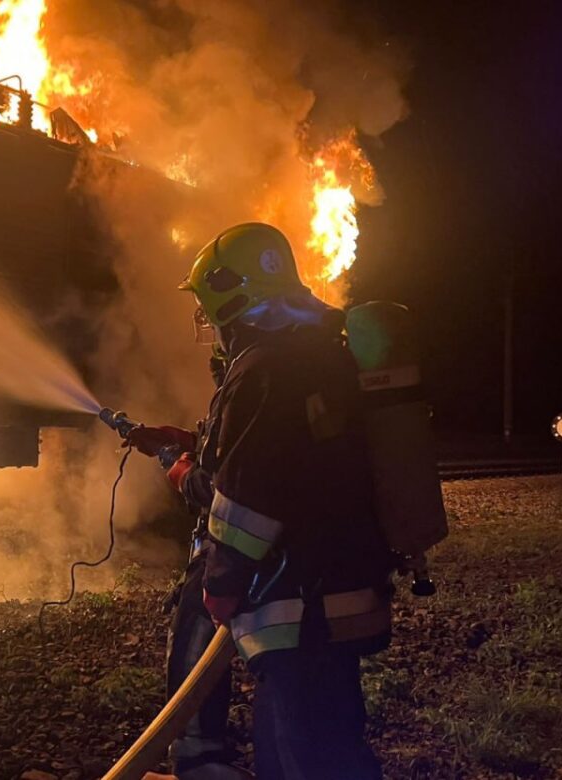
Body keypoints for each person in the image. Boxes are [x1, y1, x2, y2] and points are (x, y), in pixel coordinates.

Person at [130, 222, 393, 780]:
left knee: (305, 758)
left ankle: (201, 761)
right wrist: (192, 447)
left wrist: (221, 584)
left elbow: (248, 500)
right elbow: (280, 462)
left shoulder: (264, 368)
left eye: (208, 308)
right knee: (326, 740)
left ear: (234, 296)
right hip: (336, 592)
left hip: (302, 605)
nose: (209, 324)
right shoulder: (315, 354)